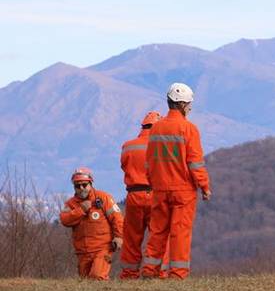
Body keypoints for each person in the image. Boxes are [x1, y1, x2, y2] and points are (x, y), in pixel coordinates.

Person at [141, 82, 212, 280]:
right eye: (189, 104)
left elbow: (149, 162)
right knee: (180, 233)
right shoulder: (188, 129)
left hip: (160, 189)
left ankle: (149, 271)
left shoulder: (155, 129)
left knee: (157, 231)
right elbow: (195, 163)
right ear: (181, 105)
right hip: (183, 191)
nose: (190, 108)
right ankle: (178, 274)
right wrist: (204, 186)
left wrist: (153, 182)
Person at [119, 111, 170, 279]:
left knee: (132, 237)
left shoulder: (128, 146)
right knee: (159, 236)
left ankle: (129, 273)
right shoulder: (164, 146)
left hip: (134, 195)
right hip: (156, 195)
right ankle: (158, 273)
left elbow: (124, 166)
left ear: (143, 126)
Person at [59, 167, 124, 280]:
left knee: (97, 276)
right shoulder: (71, 204)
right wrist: (81, 210)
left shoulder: (103, 198)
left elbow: (117, 218)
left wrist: (119, 237)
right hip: (82, 252)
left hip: (102, 249)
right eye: (77, 186)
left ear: (91, 183)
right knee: (85, 281)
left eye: (84, 185)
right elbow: (65, 220)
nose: (81, 188)